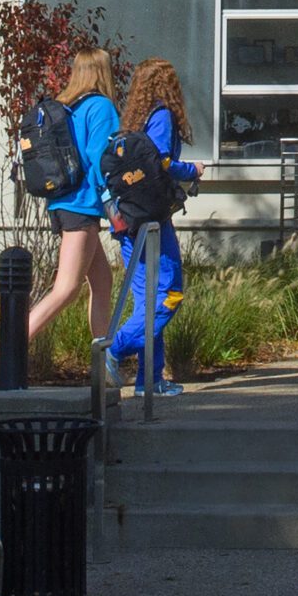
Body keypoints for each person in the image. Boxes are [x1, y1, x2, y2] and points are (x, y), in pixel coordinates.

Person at [107, 57, 199, 397]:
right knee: (170, 294)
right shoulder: (162, 116)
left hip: (128, 220)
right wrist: (192, 170)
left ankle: (151, 380)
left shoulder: (133, 120)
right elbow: (161, 162)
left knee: (147, 302)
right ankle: (113, 349)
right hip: (152, 223)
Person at [25, 47, 121, 350]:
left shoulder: (67, 107)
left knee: (102, 282)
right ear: (103, 72)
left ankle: (103, 362)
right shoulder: (102, 107)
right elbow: (100, 159)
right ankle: (11, 349)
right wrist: (114, 205)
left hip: (62, 202)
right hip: (82, 206)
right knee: (66, 288)